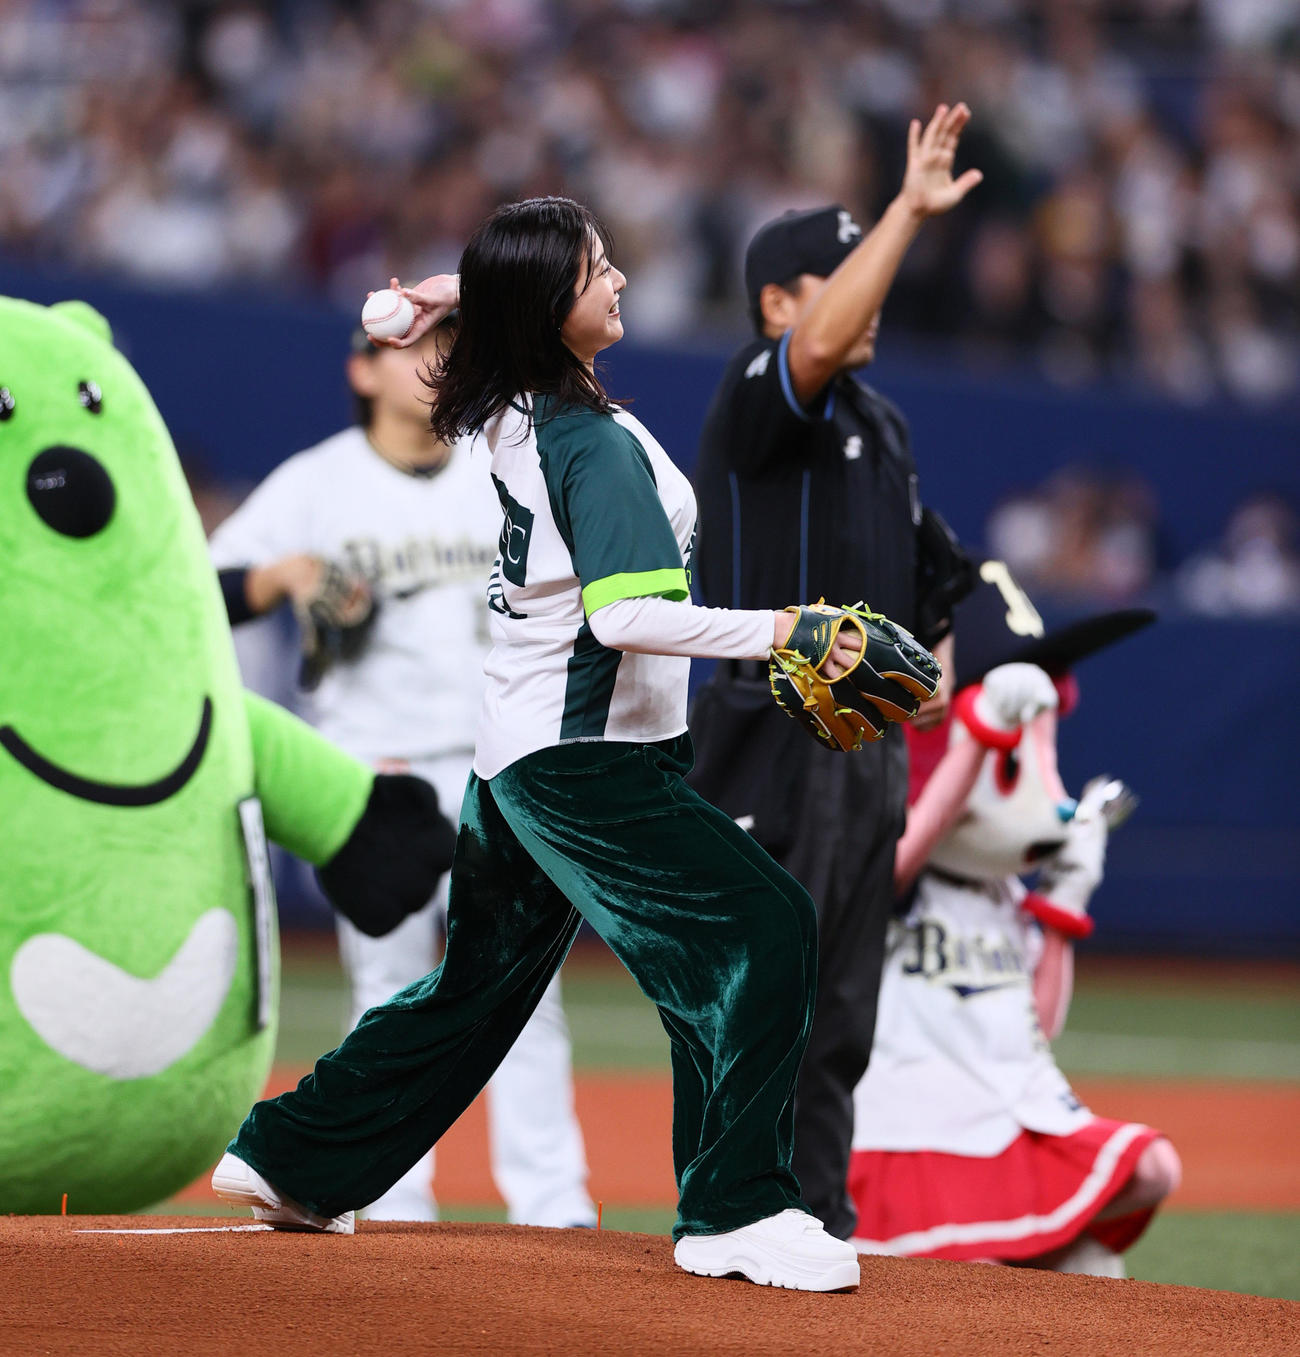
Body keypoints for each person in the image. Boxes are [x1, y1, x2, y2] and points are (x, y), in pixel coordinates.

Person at [209, 194, 934, 1292]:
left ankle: (292, 1157)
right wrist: (788, 628)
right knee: (765, 927)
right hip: (586, 762)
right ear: (551, 306)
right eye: (598, 269)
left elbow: (483, 318)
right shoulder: (586, 441)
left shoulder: (513, 407)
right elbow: (625, 615)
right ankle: (736, 1207)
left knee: (476, 986)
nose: (621, 279)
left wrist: (439, 297)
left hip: (516, 755)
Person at [207, 313, 597, 1228]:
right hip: (375, 773)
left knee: (526, 989)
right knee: (385, 987)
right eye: (414, 346)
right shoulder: (316, 482)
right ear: (363, 370)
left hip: (501, 760)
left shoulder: (500, 467)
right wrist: (282, 577)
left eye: (451, 344)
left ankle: (554, 1207)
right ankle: (392, 1201)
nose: (438, 358)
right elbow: (199, 589)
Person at [689, 103, 981, 1239]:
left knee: (844, 1009)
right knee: (768, 993)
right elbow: (811, 355)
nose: (876, 291)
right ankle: (730, 1214)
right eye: (845, 271)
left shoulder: (884, 424)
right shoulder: (756, 391)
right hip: (772, 732)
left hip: (867, 756)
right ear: (778, 302)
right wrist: (907, 209)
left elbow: (934, 579)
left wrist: (934, 671)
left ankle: (815, 1219)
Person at [847, 566, 1181, 1276]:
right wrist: (978, 737)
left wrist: (1064, 902)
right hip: (912, 1122)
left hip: (1004, 1112)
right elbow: (889, 874)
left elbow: (1038, 1026)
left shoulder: (999, 891)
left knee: (1148, 1174)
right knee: (981, 1281)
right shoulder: (882, 872)